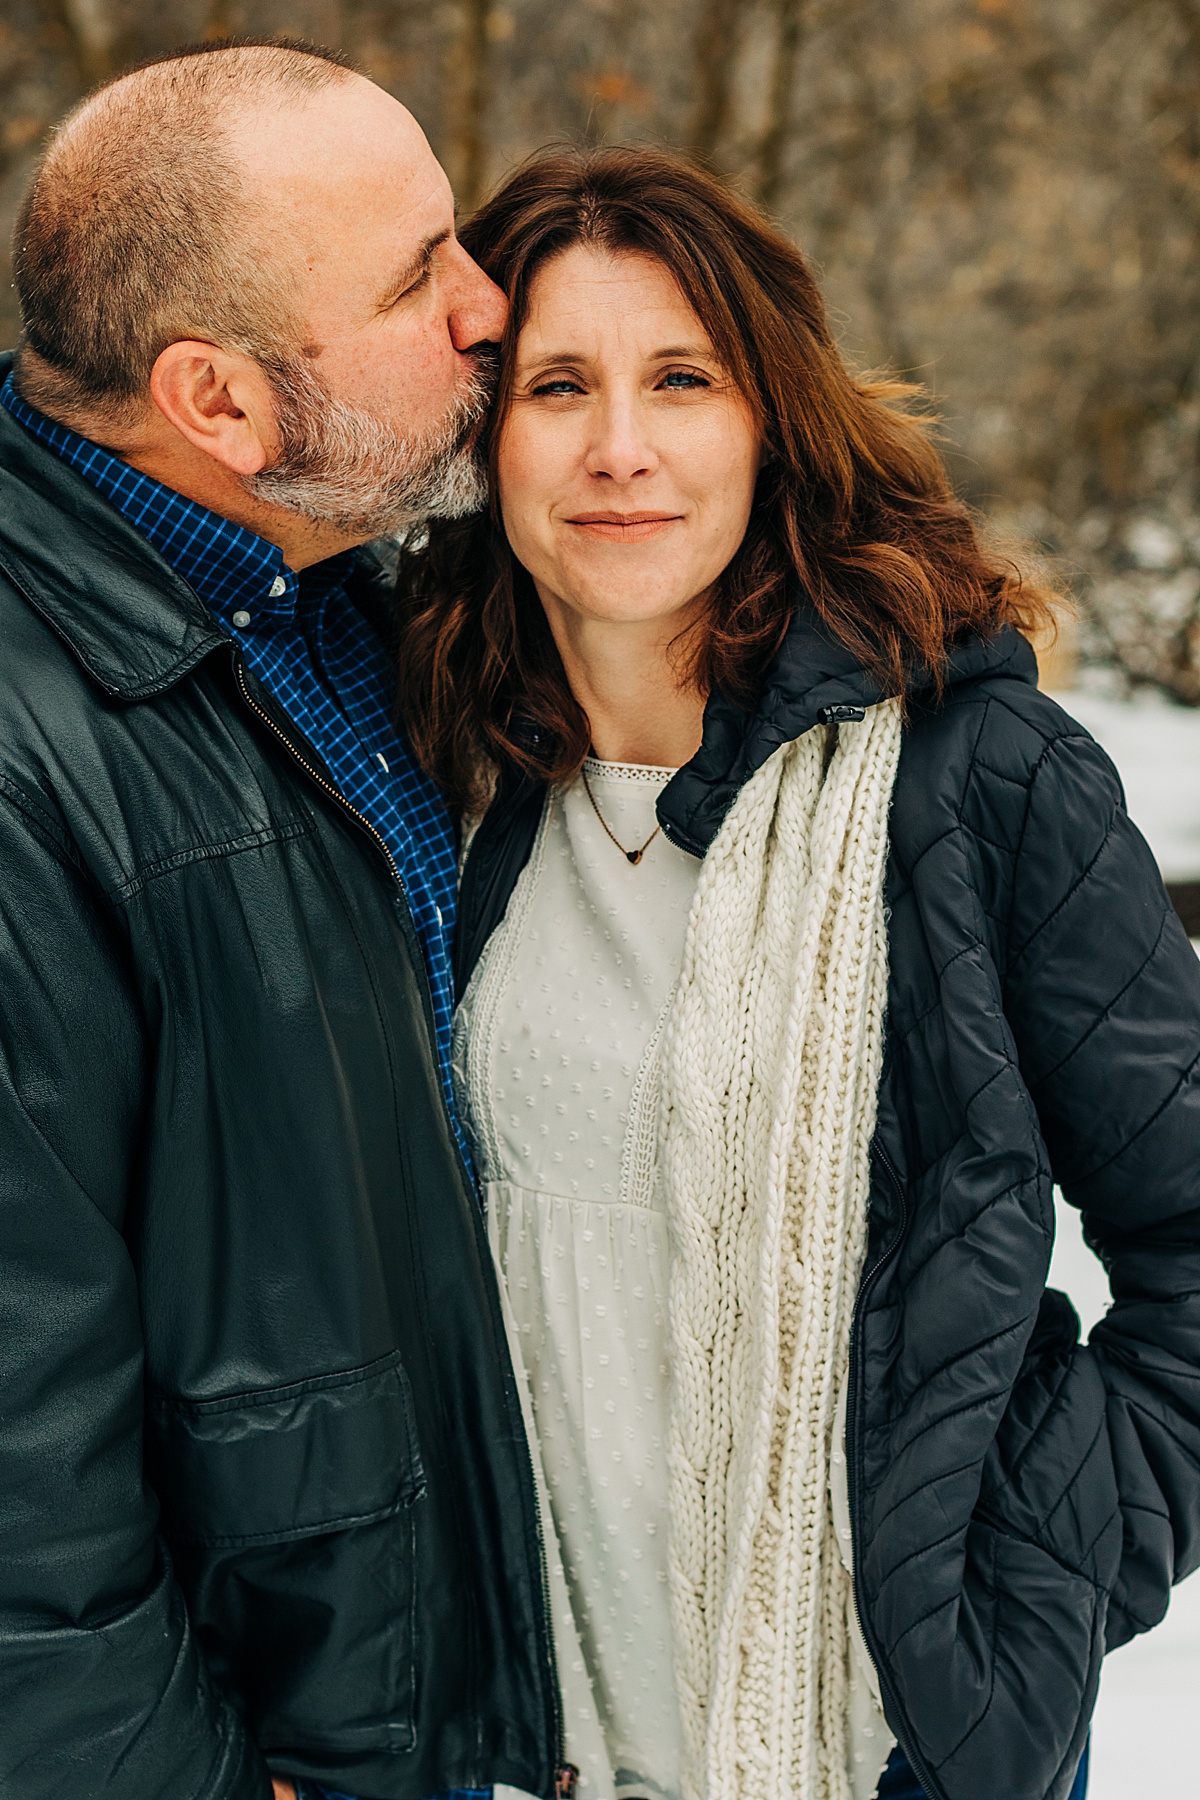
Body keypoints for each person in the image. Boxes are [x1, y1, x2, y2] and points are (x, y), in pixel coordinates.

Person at [394, 146, 1200, 1800]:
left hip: (875, 1747)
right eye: (559, 384)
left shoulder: (979, 780)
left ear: (771, 418)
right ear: (487, 439)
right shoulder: (431, 784)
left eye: (681, 378)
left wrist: (1015, 1597)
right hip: (508, 1748)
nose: (621, 448)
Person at [0, 38, 581, 1800]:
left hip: (445, 1703)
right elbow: (23, 1462)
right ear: (223, 404)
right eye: (420, 279)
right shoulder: (33, 760)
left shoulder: (339, 572)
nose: (495, 303)